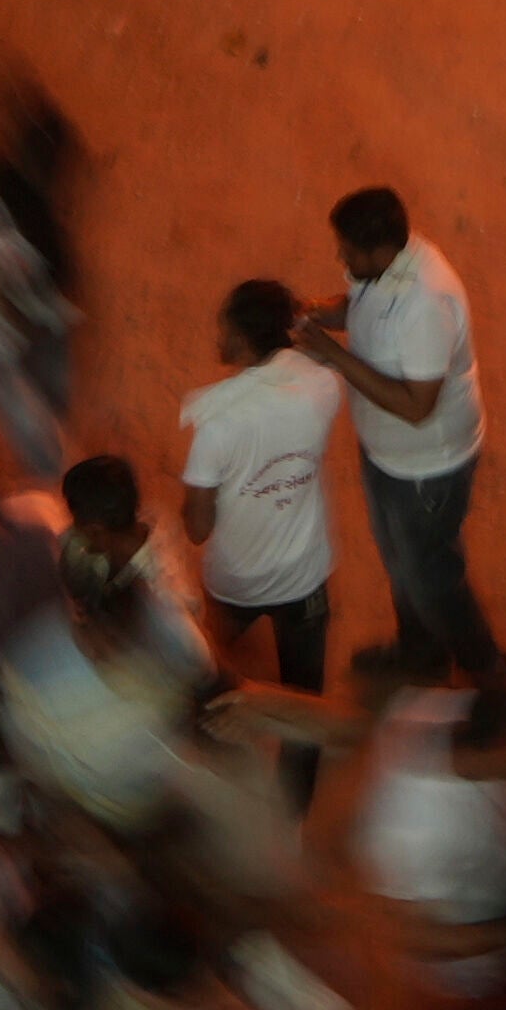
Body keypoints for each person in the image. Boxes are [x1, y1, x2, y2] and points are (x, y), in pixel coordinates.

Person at [299, 184, 493, 697]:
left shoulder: (426, 303)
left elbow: (416, 406)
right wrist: (317, 311)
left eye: (347, 252)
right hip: (387, 456)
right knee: (402, 563)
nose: (340, 259)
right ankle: (421, 654)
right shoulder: (386, 266)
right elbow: (359, 304)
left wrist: (333, 355)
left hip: (427, 471)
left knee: (434, 579)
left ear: (380, 249)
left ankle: (491, 675)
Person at [179, 277, 350, 698]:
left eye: (224, 330)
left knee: (208, 674)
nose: (218, 338)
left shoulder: (217, 422)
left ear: (240, 340)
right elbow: (311, 356)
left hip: (237, 583)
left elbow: (197, 529)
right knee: (305, 699)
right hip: (304, 577)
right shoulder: (325, 385)